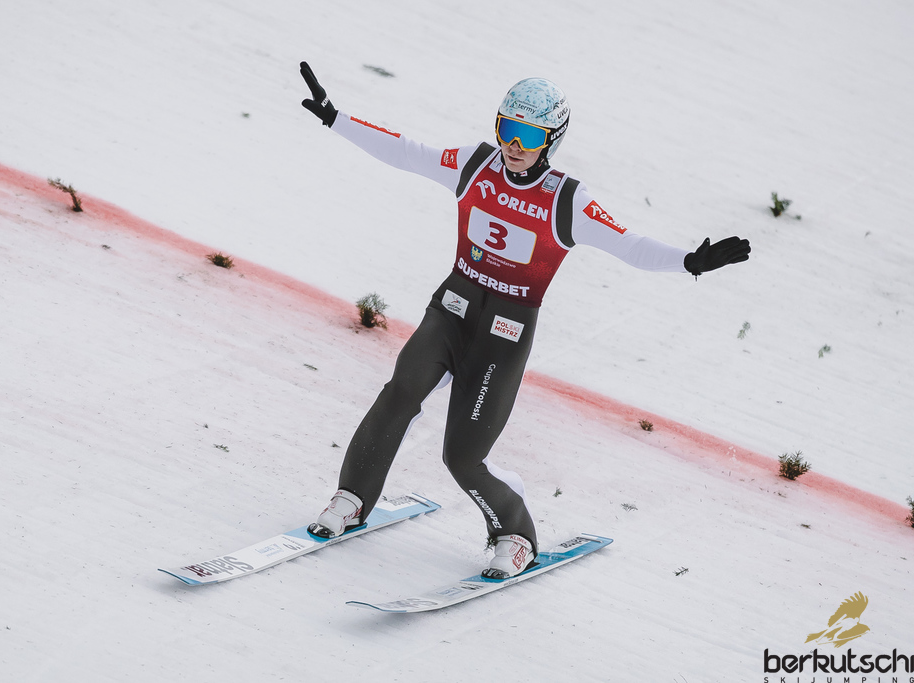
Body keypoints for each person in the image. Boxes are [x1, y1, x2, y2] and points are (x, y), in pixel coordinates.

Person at [297, 61, 750, 579]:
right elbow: (406, 151)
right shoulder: (474, 165)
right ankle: (352, 498)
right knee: (398, 394)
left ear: (551, 140)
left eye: (529, 136)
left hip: (503, 336)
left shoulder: (566, 200)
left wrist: (689, 261)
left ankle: (515, 534)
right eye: (507, 129)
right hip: (452, 310)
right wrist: (336, 118)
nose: (514, 145)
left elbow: (629, 245)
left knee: (463, 458)